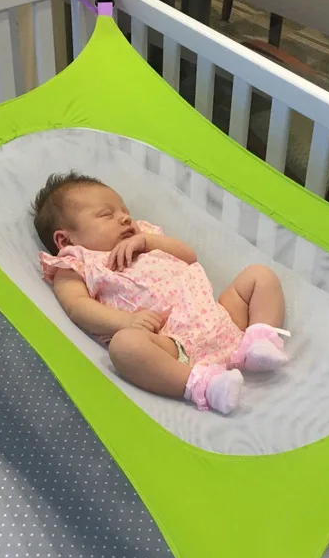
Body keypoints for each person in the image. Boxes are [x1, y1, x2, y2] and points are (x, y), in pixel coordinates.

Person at [34, 171, 288, 414]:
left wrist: (148, 241)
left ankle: (257, 342)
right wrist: (126, 321)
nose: (124, 218)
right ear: (65, 240)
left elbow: (189, 256)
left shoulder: (144, 236)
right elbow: (77, 306)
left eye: (125, 211)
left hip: (219, 316)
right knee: (124, 347)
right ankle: (204, 385)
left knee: (259, 275)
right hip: (173, 344)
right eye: (106, 215)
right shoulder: (75, 262)